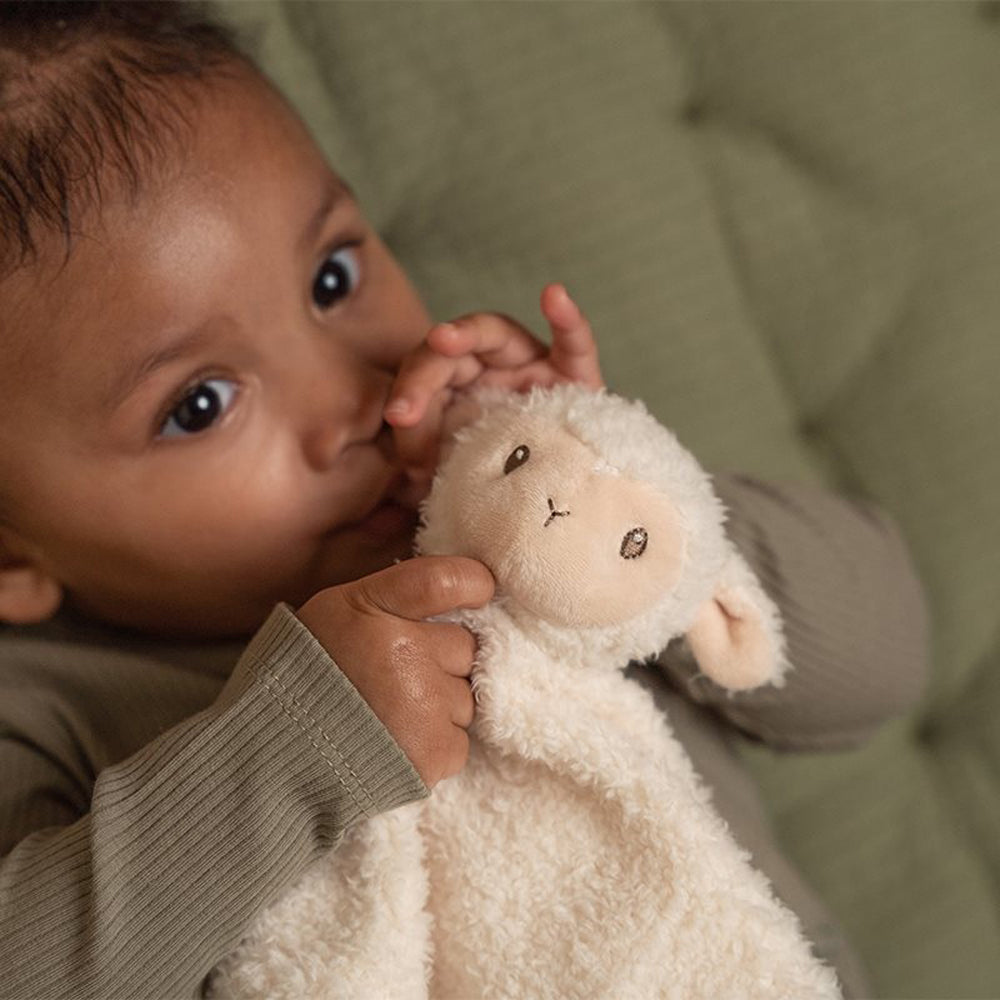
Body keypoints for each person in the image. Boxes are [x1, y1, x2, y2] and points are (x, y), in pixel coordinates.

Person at [0, 4, 929, 998]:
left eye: (331, 276)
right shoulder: (50, 714)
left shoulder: (495, 532)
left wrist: (625, 509)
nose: (350, 398)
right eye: (199, 404)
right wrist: (293, 750)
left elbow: (881, 661)